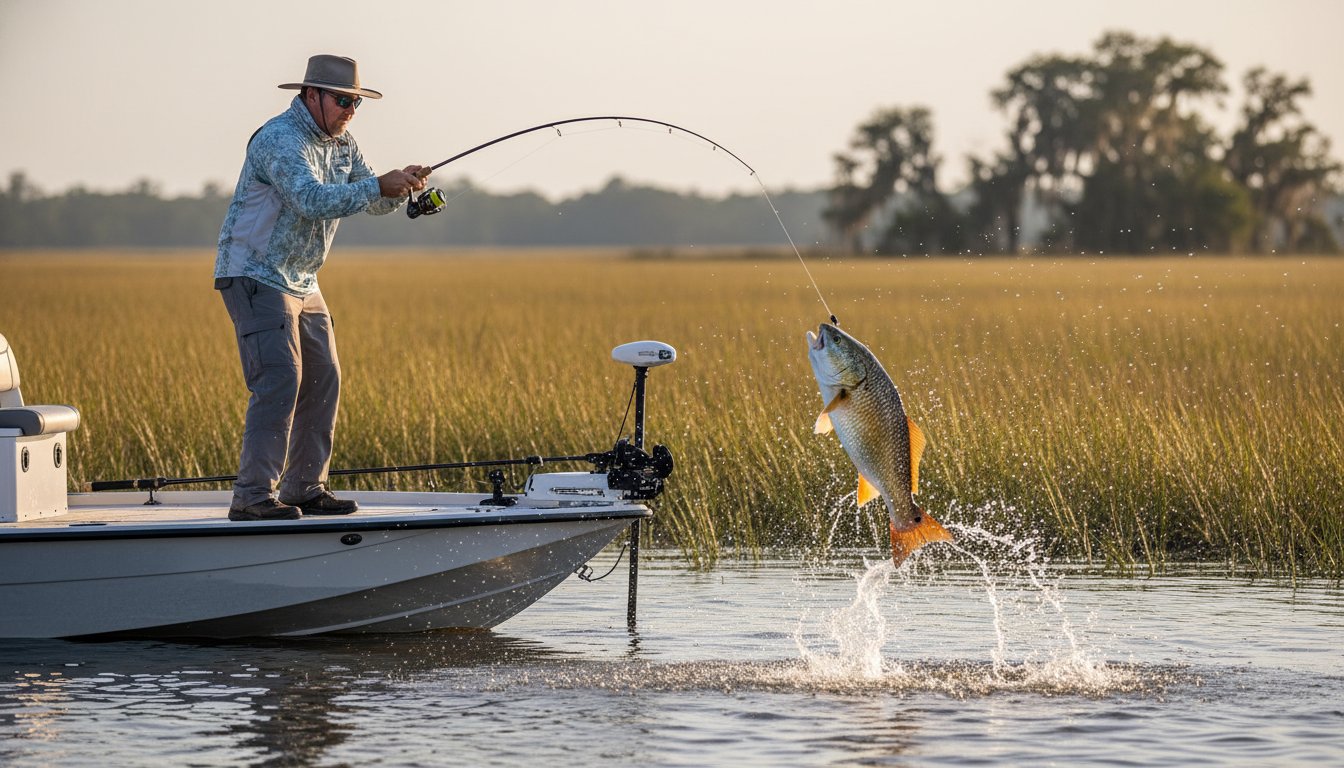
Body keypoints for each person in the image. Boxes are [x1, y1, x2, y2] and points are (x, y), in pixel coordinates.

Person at [214, 54, 427, 521]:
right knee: (281, 380)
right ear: (312, 95)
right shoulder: (279, 139)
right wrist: (377, 186)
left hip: (303, 281)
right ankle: (251, 497)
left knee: (323, 377)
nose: (351, 110)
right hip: (255, 274)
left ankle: (304, 489)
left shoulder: (343, 142)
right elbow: (310, 200)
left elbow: (369, 201)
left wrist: (401, 187)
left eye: (357, 102)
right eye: (343, 100)